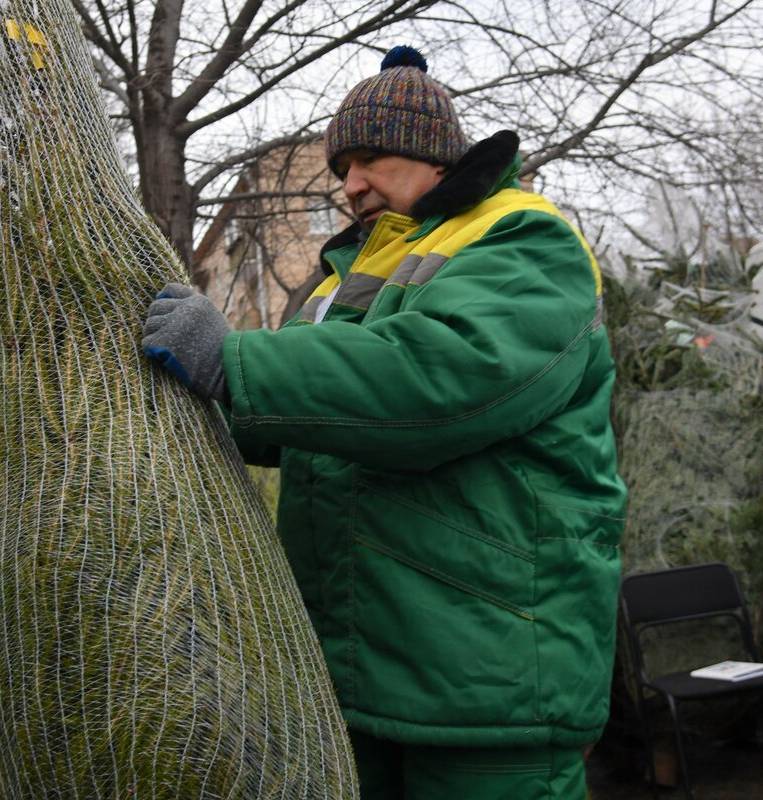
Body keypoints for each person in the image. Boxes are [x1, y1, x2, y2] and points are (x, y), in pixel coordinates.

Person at [142, 45, 627, 799]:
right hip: (358, 678)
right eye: (343, 169)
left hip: (489, 684)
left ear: (434, 154)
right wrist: (177, 401)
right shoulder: (353, 275)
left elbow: (433, 381)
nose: (351, 184)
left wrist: (232, 364)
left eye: (369, 159)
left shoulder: (524, 242)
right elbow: (299, 420)